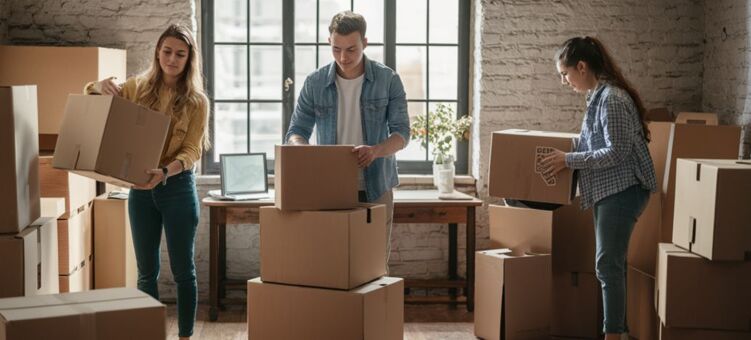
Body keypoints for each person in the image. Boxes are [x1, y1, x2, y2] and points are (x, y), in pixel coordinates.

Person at [84, 23, 209, 340]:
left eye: (180, 54)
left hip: (177, 189)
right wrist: (98, 86)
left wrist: (166, 172)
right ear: (157, 52)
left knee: (183, 272)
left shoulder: (197, 101)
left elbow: (192, 149)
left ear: (189, 59)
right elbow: (91, 102)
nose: (172, 59)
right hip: (140, 190)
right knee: (146, 273)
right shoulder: (136, 87)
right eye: (167, 51)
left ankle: (185, 335)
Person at [540, 36, 657, 340]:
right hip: (610, 191)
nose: (564, 81)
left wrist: (569, 159)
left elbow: (615, 152)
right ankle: (620, 333)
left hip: (624, 190)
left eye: (565, 74)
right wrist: (565, 153)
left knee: (607, 265)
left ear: (581, 66)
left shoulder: (613, 100)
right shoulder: (597, 96)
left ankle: (613, 335)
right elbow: (596, 143)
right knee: (610, 264)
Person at [285, 11, 410, 266]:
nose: (344, 57)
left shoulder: (388, 80)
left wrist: (375, 151)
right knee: (332, 263)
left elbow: (402, 134)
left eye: (352, 49)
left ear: (365, 42)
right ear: (329, 43)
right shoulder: (315, 82)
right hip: (330, 187)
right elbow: (295, 132)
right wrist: (307, 152)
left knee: (373, 265)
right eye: (336, 49)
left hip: (377, 185)